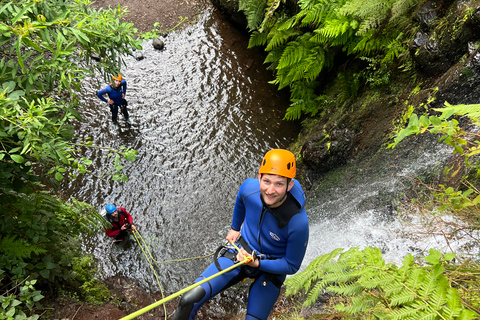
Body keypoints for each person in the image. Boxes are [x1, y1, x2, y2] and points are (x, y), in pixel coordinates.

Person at [173, 149, 309, 320]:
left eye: (279, 184)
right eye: (266, 181)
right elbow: (241, 200)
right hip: (240, 251)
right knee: (188, 300)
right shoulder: (249, 188)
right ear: (259, 177)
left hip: (270, 268)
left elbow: (291, 266)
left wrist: (257, 263)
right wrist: (235, 227)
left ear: (289, 185)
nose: (270, 190)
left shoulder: (298, 222)